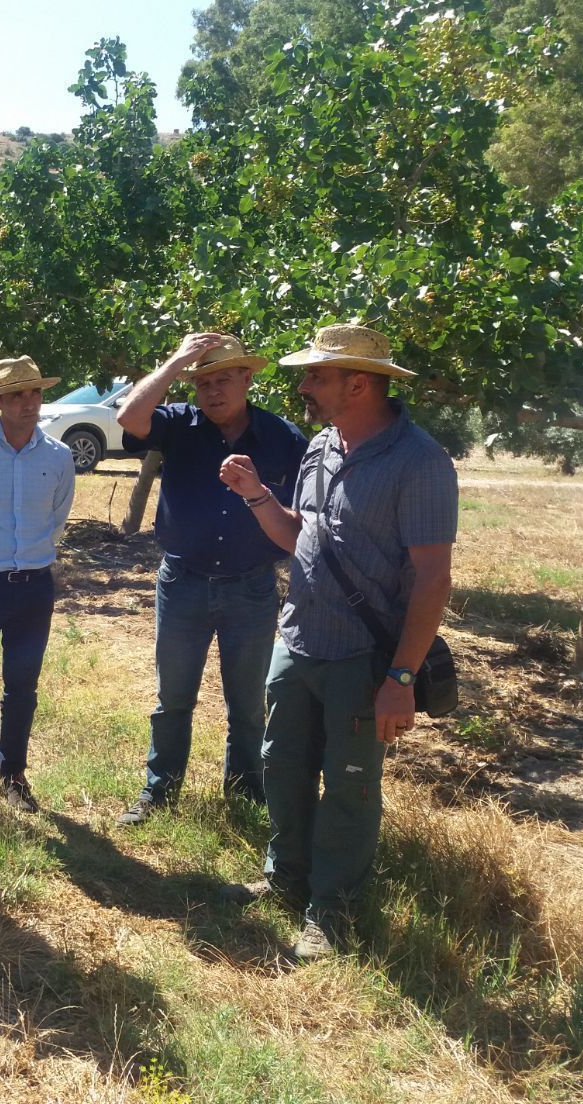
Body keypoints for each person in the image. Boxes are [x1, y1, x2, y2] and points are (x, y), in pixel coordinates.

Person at [220, 324, 456, 960]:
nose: (302, 386)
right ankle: (286, 880)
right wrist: (257, 497)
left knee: (349, 784)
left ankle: (334, 910)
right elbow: (301, 534)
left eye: (315, 376)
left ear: (357, 382)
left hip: (362, 658)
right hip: (298, 640)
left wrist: (401, 679)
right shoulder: (322, 445)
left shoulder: (419, 461)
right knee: (283, 766)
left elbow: (433, 577)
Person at [114, 334, 308, 825]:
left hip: (252, 586)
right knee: (173, 698)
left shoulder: (283, 438)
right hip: (183, 583)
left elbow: (302, 519)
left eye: (224, 379)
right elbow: (128, 419)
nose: (212, 391)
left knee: (247, 703)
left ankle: (244, 793)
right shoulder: (179, 422)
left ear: (248, 378)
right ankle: (159, 793)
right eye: (202, 383)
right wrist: (176, 360)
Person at [0, 357, 76, 817]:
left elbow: (56, 518)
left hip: (33, 588)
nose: (29, 404)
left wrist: (32, 559)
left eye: (35, 393)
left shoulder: (59, 456)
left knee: (22, 685)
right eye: (17, 395)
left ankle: (14, 774)